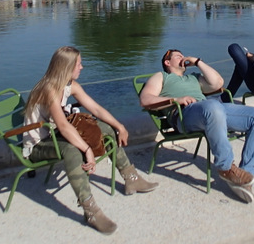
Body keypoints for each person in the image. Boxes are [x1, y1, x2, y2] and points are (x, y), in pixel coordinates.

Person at [23, 46, 156, 235]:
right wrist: (87, 150)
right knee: (72, 150)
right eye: (79, 64)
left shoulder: (70, 85)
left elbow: (97, 109)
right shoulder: (49, 89)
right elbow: (62, 125)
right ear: (66, 67)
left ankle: (131, 178)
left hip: (56, 135)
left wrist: (120, 126)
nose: (82, 67)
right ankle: (90, 210)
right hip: (38, 145)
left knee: (107, 129)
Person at [139, 49, 254, 203]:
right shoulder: (162, 76)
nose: (182, 57)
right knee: (212, 107)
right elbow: (146, 99)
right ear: (167, 62)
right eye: (177, 56)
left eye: (183, 54)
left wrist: (198, 62)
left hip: (212, 111)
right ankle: (226, 168)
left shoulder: (193, 77)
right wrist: (177, 99)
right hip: (185, 114)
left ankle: (245, 175)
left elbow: (218, 83)